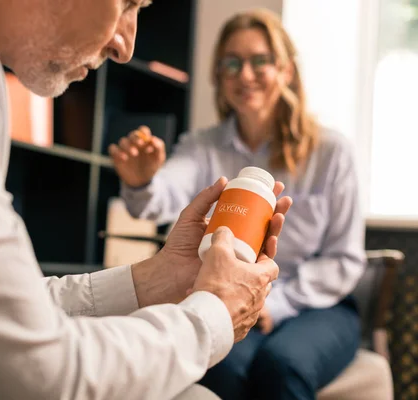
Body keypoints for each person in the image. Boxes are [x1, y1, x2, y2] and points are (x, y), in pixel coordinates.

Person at [0, 1, 294, 399]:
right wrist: (212, 313)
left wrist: (155, 280)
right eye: (128, 3)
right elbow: (36, 372)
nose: (126, 46)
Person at [110, 8, 365, 400]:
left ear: (286, 70)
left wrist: (272, 302)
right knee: (221, 367)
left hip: (318, 305)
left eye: (259, 61)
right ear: (218, 77)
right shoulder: (202, 148)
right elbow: (162, 198)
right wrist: (141, 181)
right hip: (235, 298)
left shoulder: (332, 152)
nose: (244, 75)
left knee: (283, 366)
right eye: (231, 64)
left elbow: (343, 261)